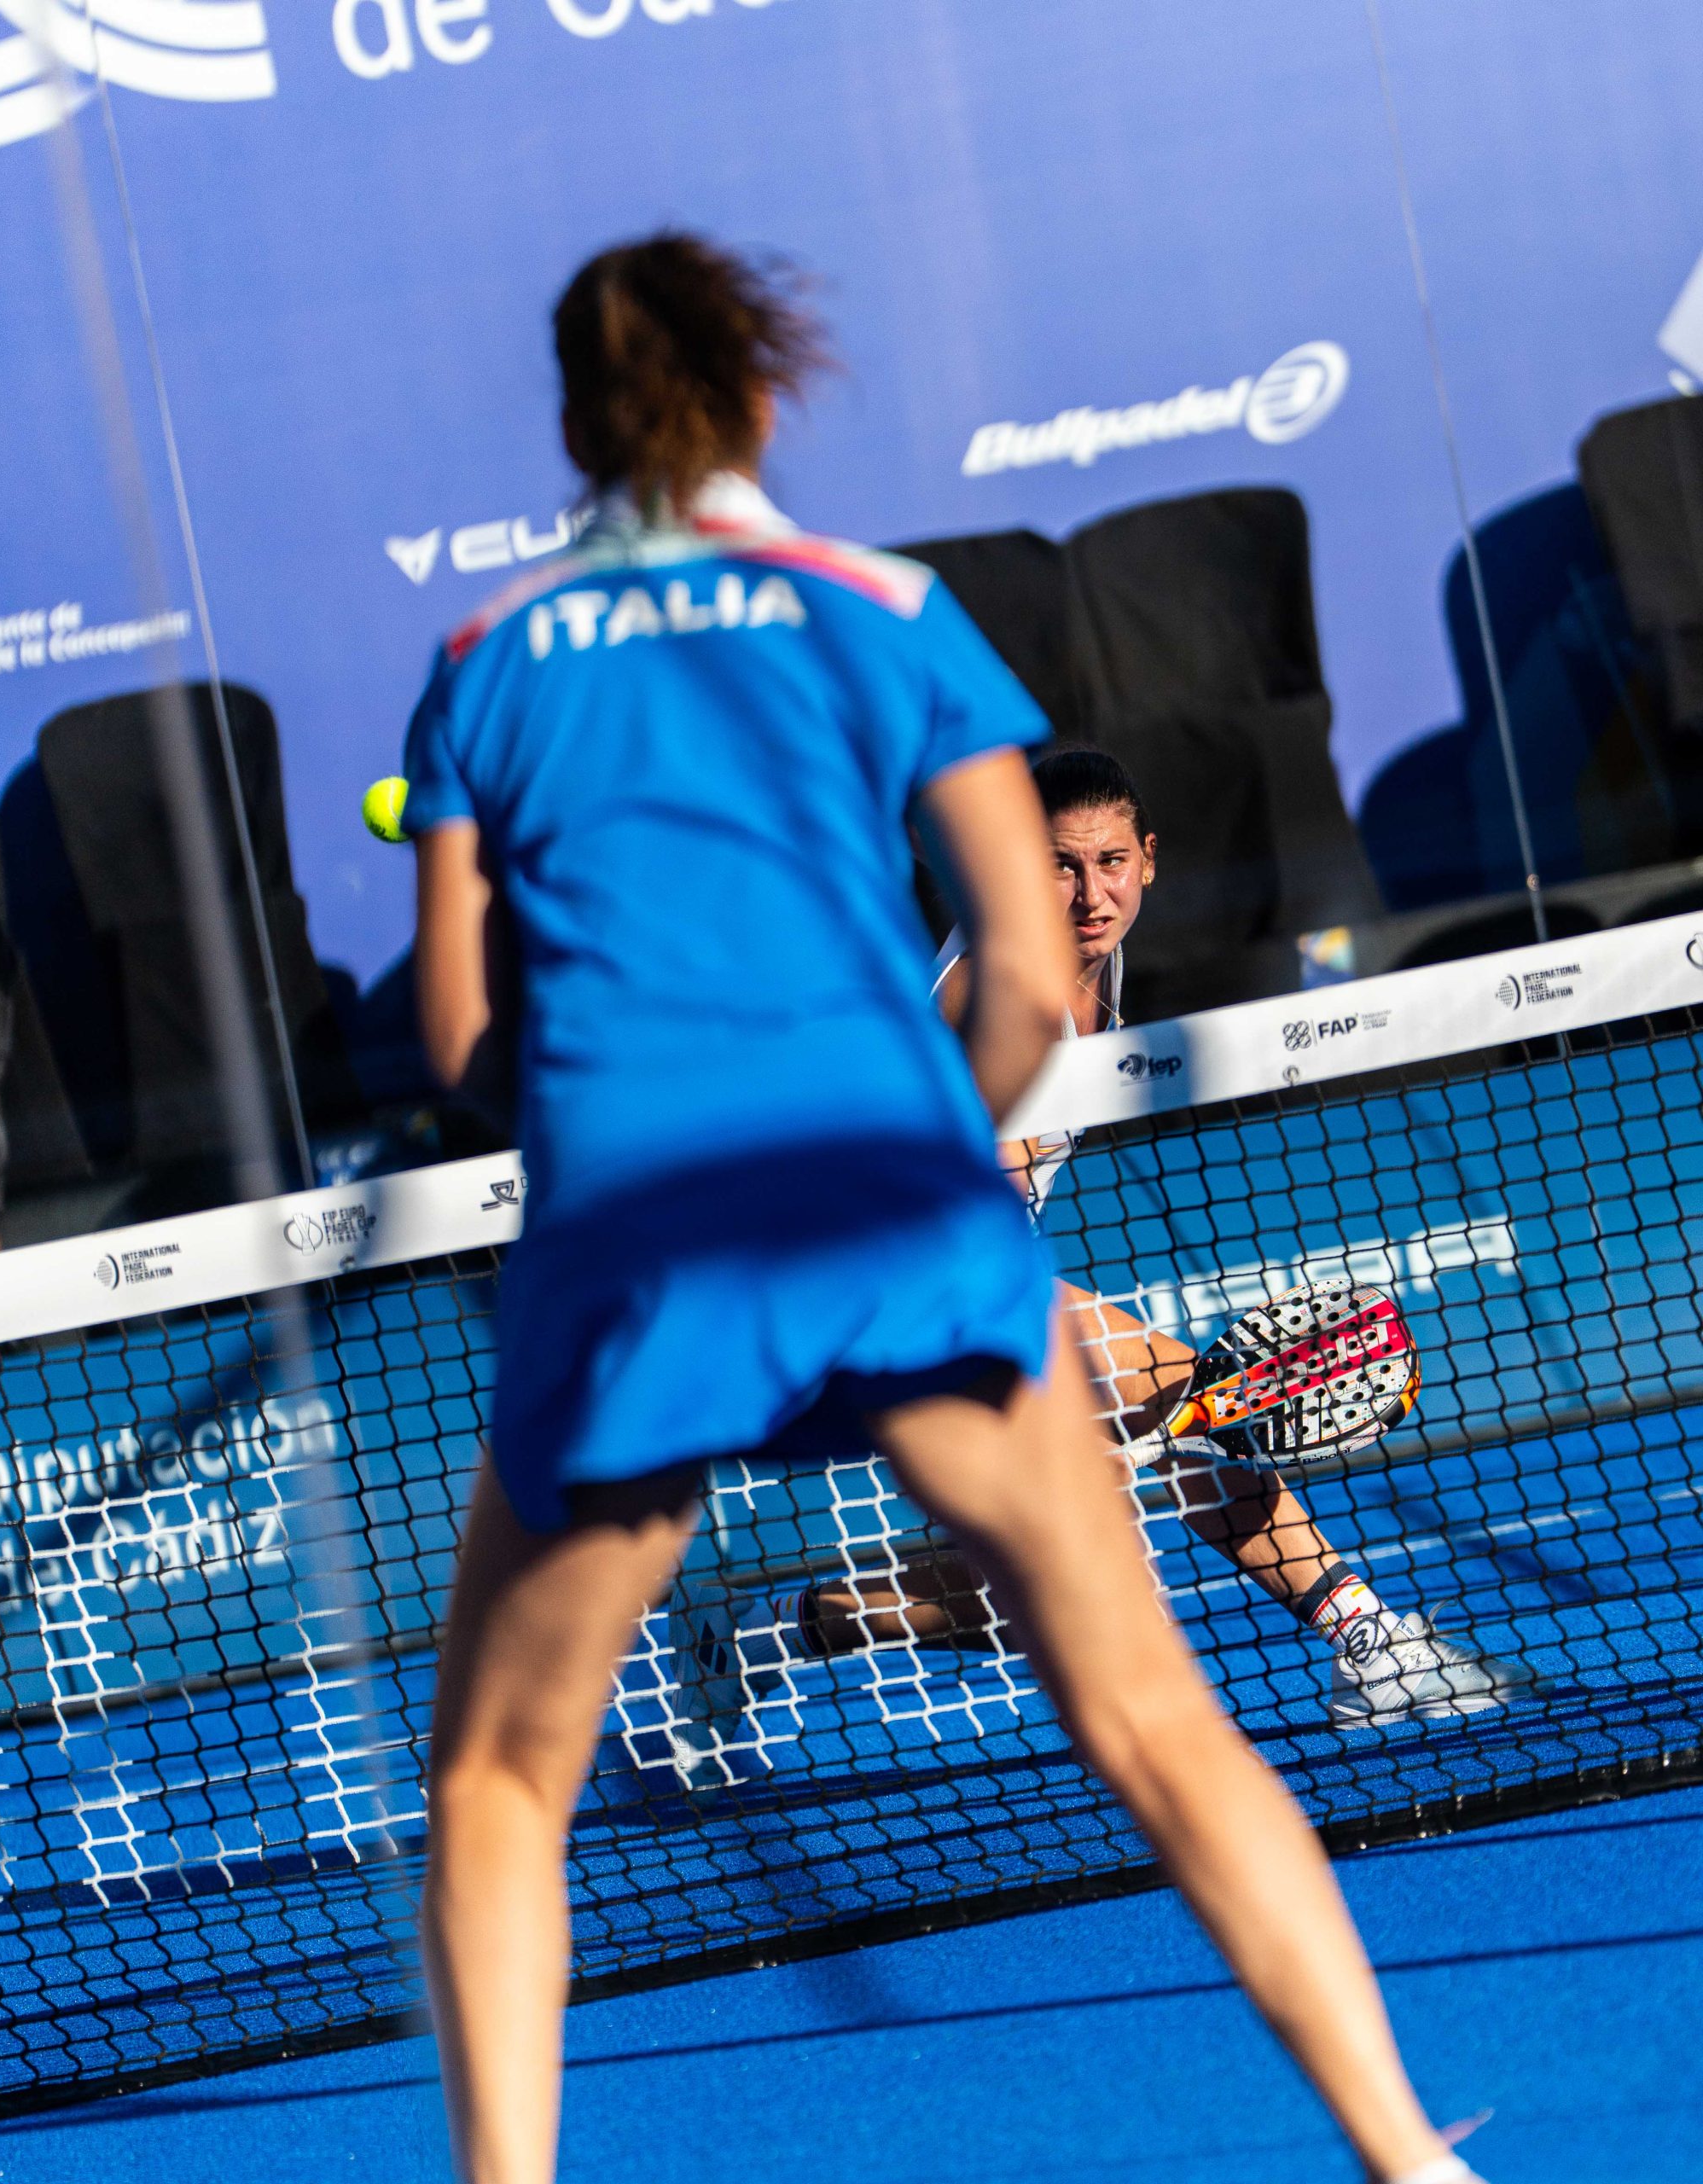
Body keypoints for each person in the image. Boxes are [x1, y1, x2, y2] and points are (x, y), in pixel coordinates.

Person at [409, 231, 1484, 2184]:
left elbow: (468, 1033)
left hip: (640, 1238)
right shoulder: (889, 606)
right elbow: (1018, 983)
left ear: (571, 421)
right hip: (902, 1218)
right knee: (1149, 1713)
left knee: (495, 1779)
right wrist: (920, 1153)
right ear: (763, 398)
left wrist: (615, 1139)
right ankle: (1409, 2154)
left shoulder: (485, 659)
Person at [753, 745, 1524, 1731]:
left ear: (1147, 859)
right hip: (878, 1286)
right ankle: (1367, 1644)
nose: (1090, 894)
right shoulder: (1010, 1002)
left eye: (1109, 862)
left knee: (1017, 1593)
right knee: (1148, 1475)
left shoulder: (1091, 951)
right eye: (1059, 866)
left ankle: (769, 1631)